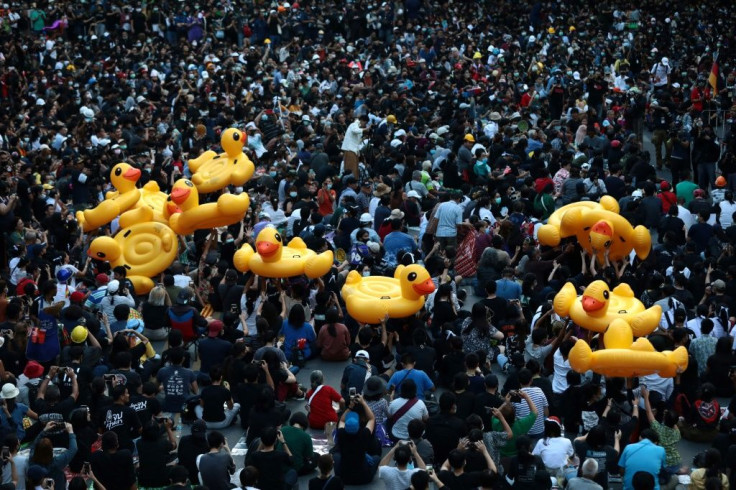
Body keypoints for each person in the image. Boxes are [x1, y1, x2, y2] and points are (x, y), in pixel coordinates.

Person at [333, 394, 379, 485]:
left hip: (344, 476)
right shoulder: (364, 434)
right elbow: (372, 419)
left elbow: (341, 420)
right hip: (364, 477)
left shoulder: (341, 434)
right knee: (376, 458)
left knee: (336, 456)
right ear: (358, 425)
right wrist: (363, 402)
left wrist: (350, 407)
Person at [244, 426, 296, 490]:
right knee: (293, 472)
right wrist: (283, 442)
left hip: (261, 487)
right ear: (275, 440)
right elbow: (291, 460)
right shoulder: (281, 455)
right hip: (279, 487)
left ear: (262, 440)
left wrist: (261, 443)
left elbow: (253, 457)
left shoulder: (255, 456)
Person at [136, 418, 177, 489]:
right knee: (176, 457)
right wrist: (168, 428)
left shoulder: (139, 443)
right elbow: (174, 445)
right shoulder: (163, 442)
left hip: (144, 480)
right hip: (161, 480)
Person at [177, 420, 209, 485]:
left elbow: (179, 456)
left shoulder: (184, 439)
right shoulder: (207, 445)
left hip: (184, 476)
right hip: (198, 479)